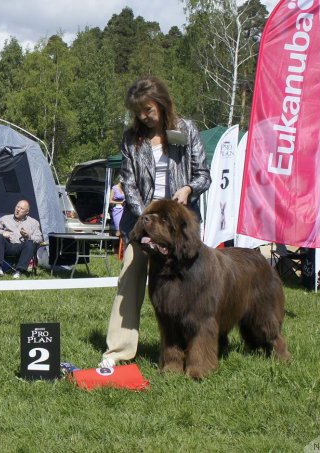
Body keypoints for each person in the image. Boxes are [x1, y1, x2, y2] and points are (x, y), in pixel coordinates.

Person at [98, 76, 211, 369]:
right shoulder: (130, 139)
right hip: (143, 222)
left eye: (148, 110)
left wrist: (188, 189)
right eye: (137, 112)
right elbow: (128, 181)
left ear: (161, 103)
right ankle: (119, 350)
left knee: (192, 285)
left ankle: (194, 346)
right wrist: (147, 215)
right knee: (130, 280)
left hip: (179, 226)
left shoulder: (187, 130)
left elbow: (203, 174)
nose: (143, 117)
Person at [0, 200, 42, 279]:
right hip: (7, 246)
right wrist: (2, 232)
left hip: (22, 248)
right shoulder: (5, 219)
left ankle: (19, 271)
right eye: (17, 207)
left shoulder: (34, 223)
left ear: (27, 212)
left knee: (30, 243)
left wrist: (28, 236)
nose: (18, 210)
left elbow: (39, 238)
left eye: (21, 209)